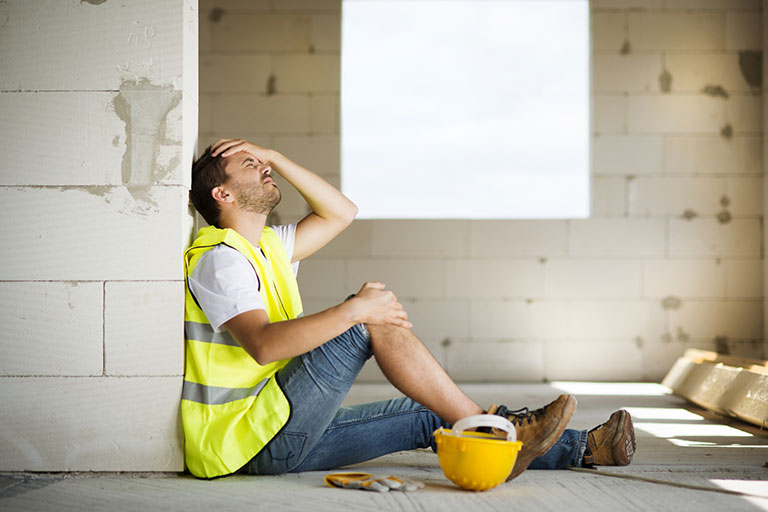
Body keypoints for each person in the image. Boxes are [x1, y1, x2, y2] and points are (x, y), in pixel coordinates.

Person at [182, 138, 636, 480]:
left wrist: (273, 154)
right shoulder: (221, 257)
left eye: (262, 163)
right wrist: (357, 310)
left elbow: (341, 211)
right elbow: (262, 346)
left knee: (434, 414)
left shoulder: (264, 248)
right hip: (247, 439)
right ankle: (507, 430)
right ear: (222, 195)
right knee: (365, 323)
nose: (263, 167)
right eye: (250, 165)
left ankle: (586, 449)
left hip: (275, 435)